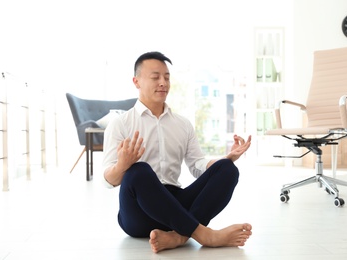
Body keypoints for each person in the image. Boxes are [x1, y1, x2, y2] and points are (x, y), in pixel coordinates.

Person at [102, 51, 252, 253]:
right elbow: (107, 181)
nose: (163, 83)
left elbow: (198, 165)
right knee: (138, 171)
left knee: (227, 169)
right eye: (155, 77)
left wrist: (229, 158)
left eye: (166, 77)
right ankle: (205, 234)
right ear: (136, 82)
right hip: (137, 214)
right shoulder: (120, 124)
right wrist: (123, 165)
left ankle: (179, 236)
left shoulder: (182, 124)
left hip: (176, 205)